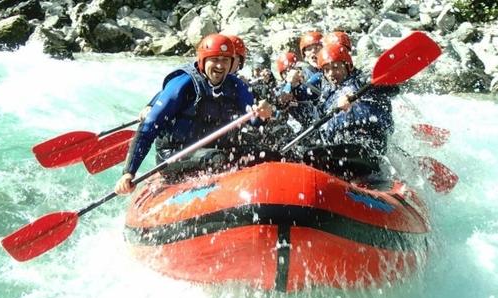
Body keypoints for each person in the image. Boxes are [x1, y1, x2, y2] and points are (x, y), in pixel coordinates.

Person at [115, 34, 273, 195]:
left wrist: (262, 115)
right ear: (203, 61)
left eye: (225, 60)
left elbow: (254, 120)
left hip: (215, 150)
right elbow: (148, 128)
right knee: (217, 160)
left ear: (232, 63)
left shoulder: (236, 85)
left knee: (268, 155)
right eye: (215, 59)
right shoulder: (182, 84)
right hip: (174, 155)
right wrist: (129, 172)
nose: (220, 65)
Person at [305, 42, 399, 181]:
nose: (331, 73)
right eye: (327, 69)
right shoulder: (327, 99)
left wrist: (356, 95)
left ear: (348, 66)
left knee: (318, 156)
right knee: (310, 155)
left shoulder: (361, 80)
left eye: (336, 67)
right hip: (343, 146)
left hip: (369, 143)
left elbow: (393, 88)